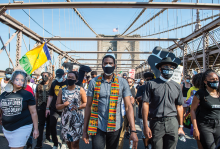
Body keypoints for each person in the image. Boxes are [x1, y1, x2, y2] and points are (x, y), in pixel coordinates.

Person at [83, 55, 138, 149]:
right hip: (97, 124)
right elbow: (88, 106)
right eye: (105, 63)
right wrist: (84, 130)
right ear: (102, 66)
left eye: (110, 63)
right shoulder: (94, 82)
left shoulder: (122, 82)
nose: (108, 65)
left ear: (115, 65)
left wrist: (133, 130)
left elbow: (128, 106)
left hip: (115, 125)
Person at [142, 57, 185, 149]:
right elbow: (145, 104)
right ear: (160, 69)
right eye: (166, 66)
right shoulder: (151, 84)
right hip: (157, 122)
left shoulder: (177, 86)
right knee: (156, 146)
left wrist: (181, 126)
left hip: (172, 122)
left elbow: (179, 106)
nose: (169, 68)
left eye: (171, 67)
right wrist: (146, 125)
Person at [0, 70, 39, 149]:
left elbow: (33, 112)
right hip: (7, 128)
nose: (19, 82)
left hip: (23, 126)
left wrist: (36, 129)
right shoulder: (4, 94)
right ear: (12, 79)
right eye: (17, 79)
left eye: (22, 80)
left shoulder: (27, 95)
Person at [56, 71, 87, 149]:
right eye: (68, 77)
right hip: (66, 120)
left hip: (77, 120)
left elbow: (86, 103)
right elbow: (57, 106)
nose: (69, 79)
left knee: (75, 144)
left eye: (72, 77)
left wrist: (78, 106)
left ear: (76, 80)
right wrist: (64, 105)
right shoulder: (62, 90)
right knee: (68, 143)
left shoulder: (80, 89)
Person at [190, 69, 220, 149]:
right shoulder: (200, 93)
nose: (215, 81)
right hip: (205, 126)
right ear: (205, 81)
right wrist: (195, 128)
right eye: (212, 79)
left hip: (218, 126)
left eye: (216, 79)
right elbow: (193, 110)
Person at [46, 69, 68, 149]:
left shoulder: (68, 83)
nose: (58, 78)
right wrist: (47, 108)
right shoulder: (54, 83)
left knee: (65, 126)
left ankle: (64, 142)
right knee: (52, 125)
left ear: (64, 75)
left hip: (65, 108)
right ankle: (55, 143)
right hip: (54, 108)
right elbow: (51, 96)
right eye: (57, 76)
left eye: (60, 76)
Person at [136, 72, 154, 149]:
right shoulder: (141, 88)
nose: (149, 81)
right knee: (145, 132)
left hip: (154, 114)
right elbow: (138, 98)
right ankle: (146, 146)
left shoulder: (155, 87)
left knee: (154, 132)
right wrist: (147, 95)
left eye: (151, 79)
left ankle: (152, 145)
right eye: (147, 79)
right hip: (143, 114)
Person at [35, 72, 53, 149]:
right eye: (42, 75)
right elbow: (36, 96)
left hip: (50, 107)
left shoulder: (52, 85)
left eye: (46, 76)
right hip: (41, 106)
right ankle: (39, 143)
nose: (44, 77)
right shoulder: (38, 85)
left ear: (49, 77)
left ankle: (47, 137)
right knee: (41, 124)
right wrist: (35, 106)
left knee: (49, 123)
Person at [118, 77, 137, 149]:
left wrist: (131, 102)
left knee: (120, 136)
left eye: (130, 82)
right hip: (111, 115)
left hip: (122, 115)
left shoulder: (124, 88)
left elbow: (132, 98)